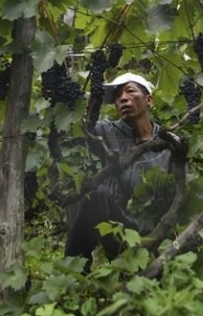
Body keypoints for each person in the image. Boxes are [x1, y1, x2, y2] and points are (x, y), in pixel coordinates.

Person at [64, 73, 177, 269]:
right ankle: (74, 271)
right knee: (98, 193)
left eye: (130, 91)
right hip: (117, 226)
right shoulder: (106, 131)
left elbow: (181, 195)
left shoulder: (171, 143)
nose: (123, 98)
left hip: (155, 233)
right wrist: (93, 98)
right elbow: (83, 127)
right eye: (117, 96)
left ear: (149, 100)